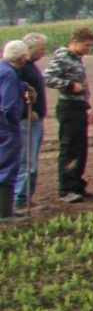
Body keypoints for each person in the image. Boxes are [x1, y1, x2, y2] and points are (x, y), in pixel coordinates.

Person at [44, 28, 93, 203]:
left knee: (81, 148)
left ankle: (77, 186)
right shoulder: (62, 58)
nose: (88, 49)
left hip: (79, 106)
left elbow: (83, 87)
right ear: (75, 42)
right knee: (70, 148)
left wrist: (88, 107)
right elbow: (48, 78)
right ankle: (66, 189)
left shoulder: (77, 59)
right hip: (68, 107)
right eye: (86, 45)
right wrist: (69, 85)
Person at [16, 32, 44, 210]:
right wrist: (28, 110)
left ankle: (26, 197)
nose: (43, 52)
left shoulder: (30, 66)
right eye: (41, 49)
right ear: (29, 49)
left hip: (34, 119)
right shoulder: (21, 69)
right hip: (27, 120)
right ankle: (20, 198)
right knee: (27, 160)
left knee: (30, 159)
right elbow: (15, 92)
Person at [0, 44, 23, 221]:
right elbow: (8, 107)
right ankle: (5, 212)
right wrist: (14, 127)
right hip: (6, 127)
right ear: (22, 57)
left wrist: (23, 85)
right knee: (7, 166)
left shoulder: (3, 69)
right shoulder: (9, 73)